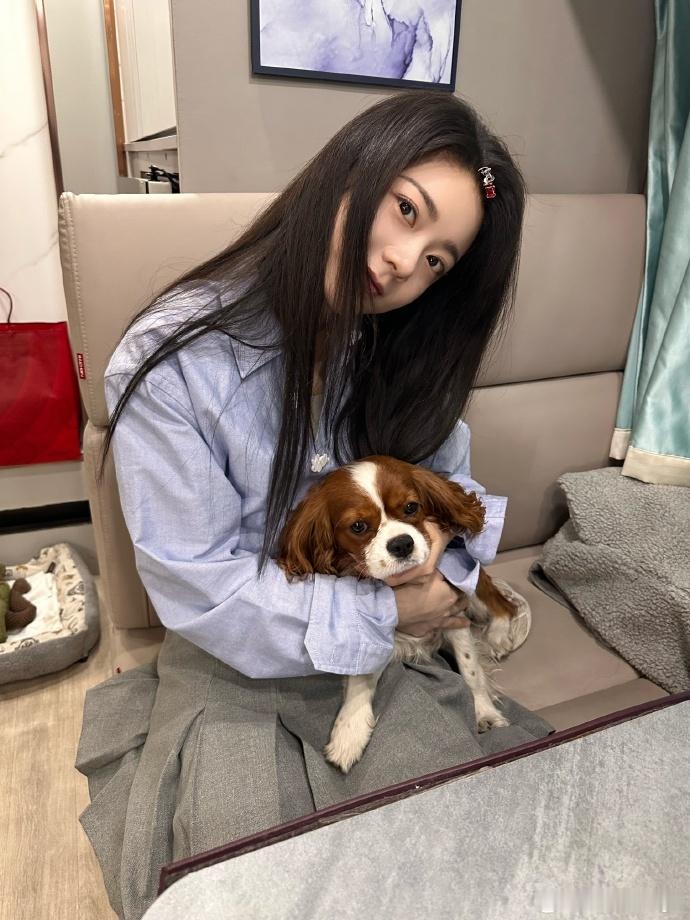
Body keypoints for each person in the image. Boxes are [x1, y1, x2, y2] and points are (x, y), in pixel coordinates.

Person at [75, 91, 553, 920]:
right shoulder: (175, 359)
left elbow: (450, 501)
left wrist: (435, 587)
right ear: (349, 170)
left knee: (472, 855)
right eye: (406, 210)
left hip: (389, 657)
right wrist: (393, 611)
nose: (403, 263)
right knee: (254, 882)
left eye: (438, 262)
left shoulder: (404, 355)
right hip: (236, 663)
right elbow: (203, 588)